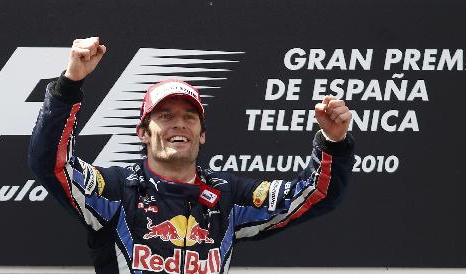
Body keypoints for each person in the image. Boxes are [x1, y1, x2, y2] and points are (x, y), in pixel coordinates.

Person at [28, 37, 355, 274]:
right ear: (143, 132)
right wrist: (69, 85)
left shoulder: (229, 197)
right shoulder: (114, 190)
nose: (178, 125)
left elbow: (314, 195)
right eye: (165, 116)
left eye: (189, 117)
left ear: (201, 134)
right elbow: (51, 164)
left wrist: (333, 140)